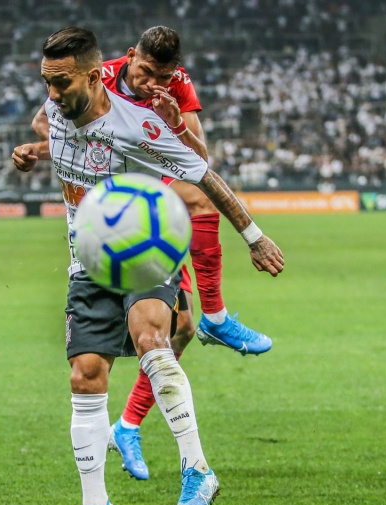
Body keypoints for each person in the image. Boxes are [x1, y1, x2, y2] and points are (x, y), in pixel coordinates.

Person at [11, 27, 284, 505]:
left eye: (61, 82)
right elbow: (60, 136)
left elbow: (205, 175)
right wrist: (34, 151)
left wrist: (254, 235)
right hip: (88, 262)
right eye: (46, 82)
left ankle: (197, 470)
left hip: (145, 251)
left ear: (93, 76)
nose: (51, 93)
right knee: (84, 376)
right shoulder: (60, 111)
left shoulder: (139, 124)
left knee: (152, 339)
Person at [31, 26, 271, 356]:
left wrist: (176, 125)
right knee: (179, 327)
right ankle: (133, 406)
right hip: (113, 190)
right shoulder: (98, 77)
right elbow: (46, 122)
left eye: (164, 76)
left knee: (200, 200)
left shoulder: (179, 85)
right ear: (131, 56)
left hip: (155, 184)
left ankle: (215, 317)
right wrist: (53, 152)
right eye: (146, 72)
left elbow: (198, 161)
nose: (154, 84)